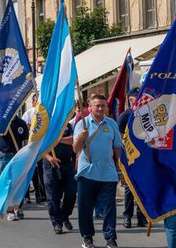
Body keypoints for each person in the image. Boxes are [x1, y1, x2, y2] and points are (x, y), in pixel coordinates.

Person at [73, 94, 122, 248]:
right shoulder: (82, 124)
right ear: (90, 107)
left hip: (108, 173)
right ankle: (87, 238)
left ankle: (110, 239)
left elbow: (117, 149)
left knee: (109, 208)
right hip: (87, 172)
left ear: (106, 108)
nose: (100, 108)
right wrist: (81, 137)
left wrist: (121, 170)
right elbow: (75, 149)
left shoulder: (112, 124)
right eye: (97, 105)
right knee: (85, 208)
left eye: (103, 105)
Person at [117, 87, 146, 229]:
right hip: (129, 156)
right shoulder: (125, 116)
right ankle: (127, 216)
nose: (134, 102)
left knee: (142, 187)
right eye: (132, 100)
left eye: (136, 99)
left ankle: (142, 216)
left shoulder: (146, 114)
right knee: (129, 188)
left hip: (144, 157)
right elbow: (118, 136)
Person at [43, 122, 77, 234]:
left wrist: (55, 140)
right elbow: (38, 145)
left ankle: (64, 215)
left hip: (67, 164)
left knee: (71, 193)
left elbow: (72, 140)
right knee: (53, 197)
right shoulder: (45, 124)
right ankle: (57, 222)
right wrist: (49, 158)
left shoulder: (68, 124)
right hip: (51, 164)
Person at [0, 116, 29, 220]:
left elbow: (25, 141)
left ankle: (18, 207)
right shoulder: (2, 120)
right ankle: (9, 210)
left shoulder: (21, 123)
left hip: (18, 156)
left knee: (18, 183)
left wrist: (24, 154)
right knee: (7, 183)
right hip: (4, 155)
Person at [22, 93, 46, 205]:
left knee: (40, 172)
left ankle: (40, 194)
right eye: (36, 101)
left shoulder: (45, 113)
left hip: (41, 148)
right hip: (30, 147)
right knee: (28, 172)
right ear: (33, 102)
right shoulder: (28, 114)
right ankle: (26, 196)